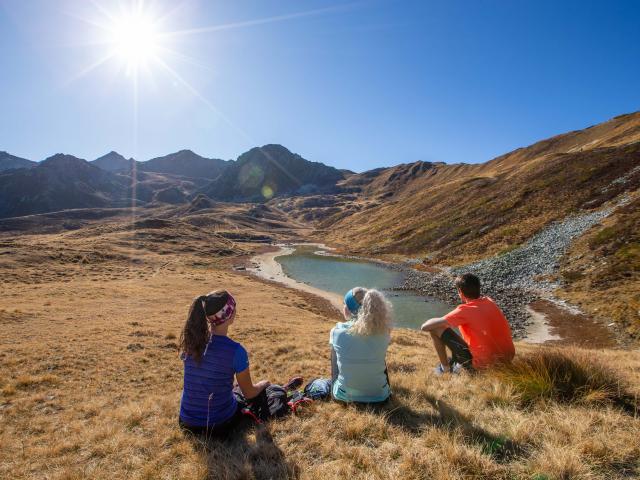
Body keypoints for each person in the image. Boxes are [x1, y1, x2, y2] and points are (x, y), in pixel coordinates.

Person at [178, 290, 274, 437]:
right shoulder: (236, 350)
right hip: (218, 425)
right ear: (230, 314)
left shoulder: (192, 342)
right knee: (248, 396)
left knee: (235, 390)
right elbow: (249, 393)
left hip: (186, 424)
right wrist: (263, 384)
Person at [420, 273, 515, 374]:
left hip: (483, 366)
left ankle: (445, 369)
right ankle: (455, 362)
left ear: (460, 292)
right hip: (507, 359)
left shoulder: (464, 310)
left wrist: (443, 320)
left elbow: (425, 327)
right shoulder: (489, 301)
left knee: (435, 328)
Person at [329, 287, 393, 403]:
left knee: (335, 350)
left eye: (345, 304)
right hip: (381, 398)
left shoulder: (337, 331)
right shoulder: (383, 332)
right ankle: (377, 387)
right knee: (377, 354)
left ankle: (342, 386)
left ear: (349, 309)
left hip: (345, 397)